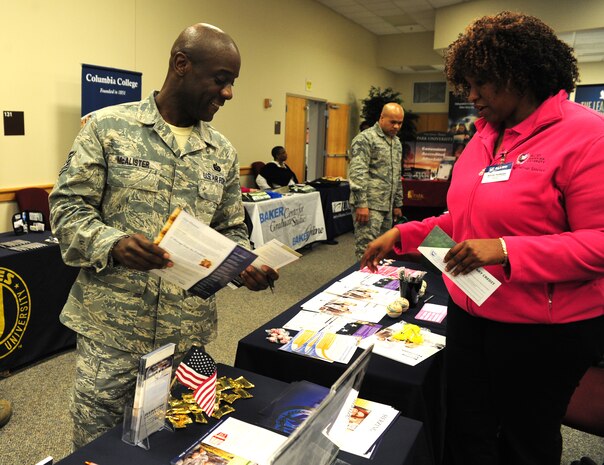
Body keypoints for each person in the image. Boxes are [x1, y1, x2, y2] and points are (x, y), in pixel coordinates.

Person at [361, 11, 604, 465]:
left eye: (482, 83)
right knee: (468, 427)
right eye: (466, 83)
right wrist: (403, 233)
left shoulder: (587, 136)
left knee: (524, 440)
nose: (471, 95)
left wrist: (508, 249)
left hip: (542, 331)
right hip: (472, 311)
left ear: (523, 74)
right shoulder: (481, 138)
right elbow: (467, 219)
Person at [49, 23, 278, 449]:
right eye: (221, 79)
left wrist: (247, 263)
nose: (228, 93)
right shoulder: (107, 127)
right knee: (98, 444)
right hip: (112, 331)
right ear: (181, 65)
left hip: (184, 332)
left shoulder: (223, 153)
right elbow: (65, 211)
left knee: (172, 442)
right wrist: (112, 243)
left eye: (233, 83)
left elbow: (231, 228)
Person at [348, 103, 404, 260]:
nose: (396, 126)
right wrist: (361, 204)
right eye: (393, 122)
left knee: (383, 251)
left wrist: (397, 204)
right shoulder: (365, 139)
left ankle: (377, 283)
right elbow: (357, 172)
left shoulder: (396, 142)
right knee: (366, 251)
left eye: (399, 123)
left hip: (387, 205)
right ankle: (361, 283)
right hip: (369, 206)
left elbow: (396, 174)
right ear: (382, 117)